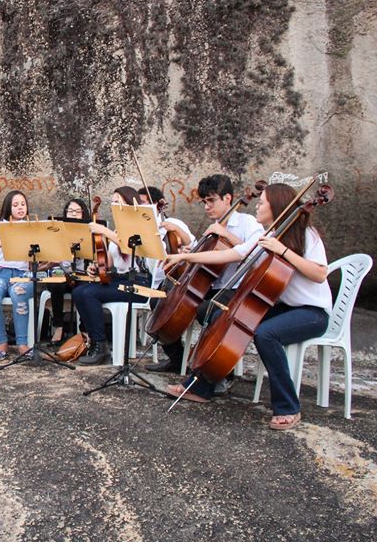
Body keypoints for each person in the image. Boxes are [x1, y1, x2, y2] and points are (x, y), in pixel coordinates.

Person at [162, 183, 333, 430]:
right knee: (219, 312)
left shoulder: (306, 235)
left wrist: (283, 251)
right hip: (286, 307)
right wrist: (184, 257)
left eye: (262, 203)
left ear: (276, 207)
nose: (258, 206)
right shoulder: (269, 237)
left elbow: (319, 274)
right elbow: (229, 254)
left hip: (312, 313)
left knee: (266, 334)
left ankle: (288, 407)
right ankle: (201, 386)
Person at [146, 175, 263, 374]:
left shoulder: (248, 222)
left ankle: (219, 371)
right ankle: (177, 359)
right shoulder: (214, 226)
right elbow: (204, 254)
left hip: (235, 289)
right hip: (210, 286)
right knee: (159, 299)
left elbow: (255, 253)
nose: (207, 207)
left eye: (211, 200)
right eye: (204, 202)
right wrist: (188, 255)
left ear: (227, 198)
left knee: (206, 311)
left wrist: (226, 234)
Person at [71, 186, 148, 366]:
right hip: (120, 279)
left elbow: (130, 248)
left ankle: (101, 346)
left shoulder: (139, 226)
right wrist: (96, 267)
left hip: (138, 282)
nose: (114, 205)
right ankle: (95, 341)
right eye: (112, 202)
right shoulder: (116, 230)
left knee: (90, 294)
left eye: (117, 202)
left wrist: (106, 232)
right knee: (79, 291)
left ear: (129, 204)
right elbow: (111, 263)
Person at [0, 190, 40, 361]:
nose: (20, 208)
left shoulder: (31, 226)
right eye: (15, 205)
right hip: (0, 273)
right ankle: (2, 341)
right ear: (8, 207)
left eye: (23, 204)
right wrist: (9, 243)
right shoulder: (1, 225)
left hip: (23, 274)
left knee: (18, 292)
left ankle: (22, 343)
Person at [46, 198, 91, 345]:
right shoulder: (58, 230)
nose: (73, 214)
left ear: (83, 214)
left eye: (77, 212)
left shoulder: (88, 231)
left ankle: (84, 329)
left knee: (85, 289)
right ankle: (58, 327)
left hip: (80, 272)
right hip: (61, 271)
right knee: (57, 285)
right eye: (70, 211)